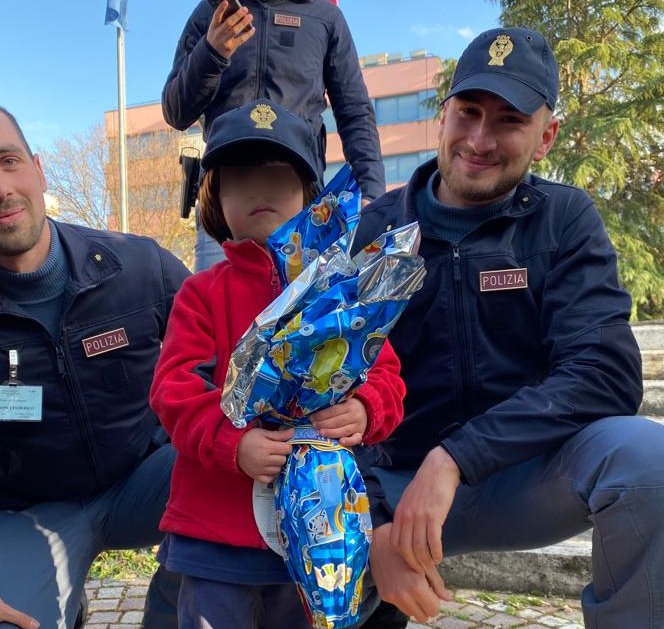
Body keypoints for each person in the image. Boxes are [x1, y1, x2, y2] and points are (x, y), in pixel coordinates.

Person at [349, 27, 664, 629]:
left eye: (509, 120)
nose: (480, 139)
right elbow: (321, 393)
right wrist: (374, 524)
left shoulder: (566, 220)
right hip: (386, 483)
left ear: (545, 137)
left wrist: (455, 458)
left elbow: (604, 373)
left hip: (523, 479)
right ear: (442, 117)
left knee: (649, 462)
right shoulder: (374, 232)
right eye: (468, 112)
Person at [0, 95, 190, 629]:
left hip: (152, 478)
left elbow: (235, 374)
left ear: (37, 170)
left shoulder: (143, 267)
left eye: (8, 161)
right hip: (29, 509)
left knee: (255, 491)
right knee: (3, 623)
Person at [148, 99, 405, 629]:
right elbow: (173, 389)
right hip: (215, 534)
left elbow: (386, 373)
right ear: (214, 196)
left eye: (279, 177)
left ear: (313, 197)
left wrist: (364, 409)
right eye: (239, 177)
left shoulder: (343, 292)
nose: (260, 191)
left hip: (321, 528)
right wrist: (230, 442)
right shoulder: (201, 293)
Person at [163, 0, 385, 271]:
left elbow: (355, 113)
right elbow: (176, 111)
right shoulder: (213, 12)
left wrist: (372, 194)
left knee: (304, 312)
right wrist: (211, 53)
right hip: (227, 201)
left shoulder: (326, 18)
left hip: (301, 201)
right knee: (218, 306)